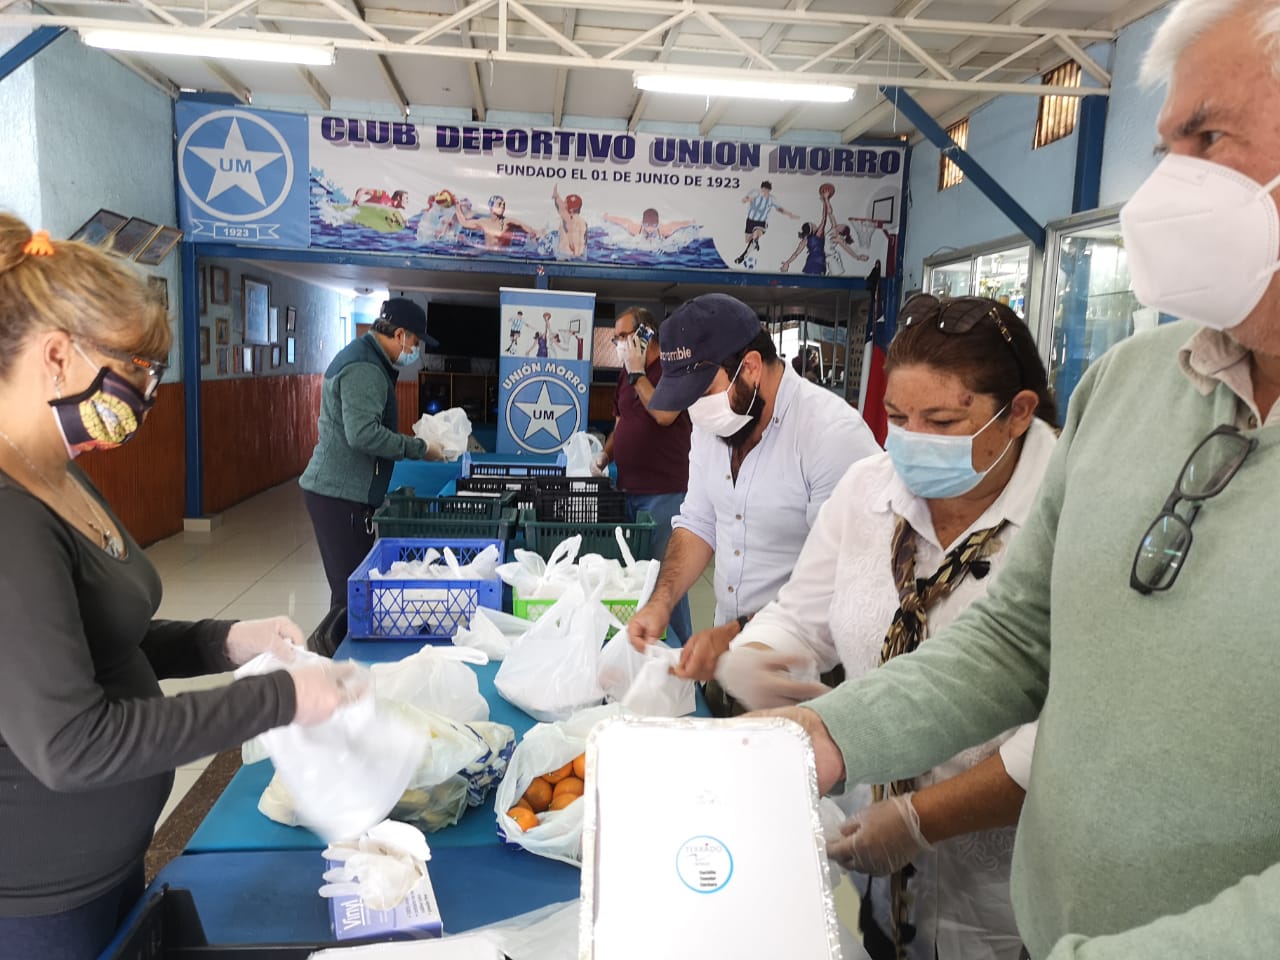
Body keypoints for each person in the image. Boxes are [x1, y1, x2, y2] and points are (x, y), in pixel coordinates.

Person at [755, 3, 1280, 957]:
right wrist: (814, 735)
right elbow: (1018, 636)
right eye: (1167, 147)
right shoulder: (1132, 387)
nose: (1170, 186)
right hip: (1044, 926)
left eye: (1209, 137)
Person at [0, 215, 363, 958]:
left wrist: (225, 641)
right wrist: (280, 698)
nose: (148, 392)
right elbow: (71, 745)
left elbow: (105, 637)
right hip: (40, 904)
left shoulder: (59, 473)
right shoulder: (7, 516)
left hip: (107, 867)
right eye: (135, 369)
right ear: (58, 356)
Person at [705, 296, 1057, 959]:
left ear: (1018, 414)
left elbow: (1072, 724)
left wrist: (923, 820)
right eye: (897, 418)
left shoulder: (1067, 509)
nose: (912, 440)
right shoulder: (870, 489)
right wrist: (758, 652)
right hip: (881, 875)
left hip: (1013, 895)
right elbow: (803, 616)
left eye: (942, 420)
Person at [627, 294, 880, 699]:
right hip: (725, 659)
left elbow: (844, 580)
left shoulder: (832, 436)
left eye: (703, 391)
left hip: (805, 676)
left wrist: (734, 635)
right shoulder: (715, 423)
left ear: (751, 367)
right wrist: (663, 599)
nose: (696, 409)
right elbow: (698, 522)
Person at [299, 298, 444, 642]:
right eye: (416, 342)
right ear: (399, 335)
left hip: (347, 495)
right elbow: (362, 434)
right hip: (337, 495)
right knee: (352, 595)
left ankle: (335, 661)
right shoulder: (364, 368)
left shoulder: (370, 360)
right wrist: (419, 448)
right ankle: (327, 660)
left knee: (354, 589)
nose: (416, 350)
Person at [596, 307, 694, 645]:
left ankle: (682, 655)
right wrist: (604, 455)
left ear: (646, 333)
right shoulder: (627, 373)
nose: (619, 343)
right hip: (628, 489)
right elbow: (622, 421)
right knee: (636, 577)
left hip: (664, 492)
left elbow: (664, 415)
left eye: (623, 336)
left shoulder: (673, 369)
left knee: (667, 580)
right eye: (616, 338)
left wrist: (639, 374)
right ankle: (641, 647)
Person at [735, 180, 798, 265]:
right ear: (761, 189)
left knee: (756, 234)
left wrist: (789, 214)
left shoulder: (771, 199)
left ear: (769, 191)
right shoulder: (755, 192)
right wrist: (747, 199)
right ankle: (754, 243)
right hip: (750, 221)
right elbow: (745, 199)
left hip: (762, 222)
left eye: (767, 191)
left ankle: (743, 255)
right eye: (764, 190)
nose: (765, 193)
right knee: (747, 240)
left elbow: (779, 209)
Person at [455, 195, 540, 250]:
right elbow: (464, 223)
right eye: (499, 204)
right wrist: (458, 207)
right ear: (491, 207)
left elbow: (529, 229)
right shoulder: (483, 222)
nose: (502, 207)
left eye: (503, 205)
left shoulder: (508, 222)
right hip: (487, 255)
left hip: (504, 257)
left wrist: (533, 235)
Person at [603, 209, 695, 241]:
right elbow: (621, 221)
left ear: (658, 224)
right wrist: (607, 217)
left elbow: (678, 225)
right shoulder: (635, 228)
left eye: (654, 225)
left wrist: (690, 222)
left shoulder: (665, 230)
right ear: (642, 223)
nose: (650, 229)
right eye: (647, 225)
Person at [551, 185, 587, 257]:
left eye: (565, 204)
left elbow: (560, 208)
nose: (563, 205)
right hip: (580, 257)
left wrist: (556, 197)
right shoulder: (583, 222)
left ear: (571, 209)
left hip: (566, 256)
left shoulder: (570, 219)